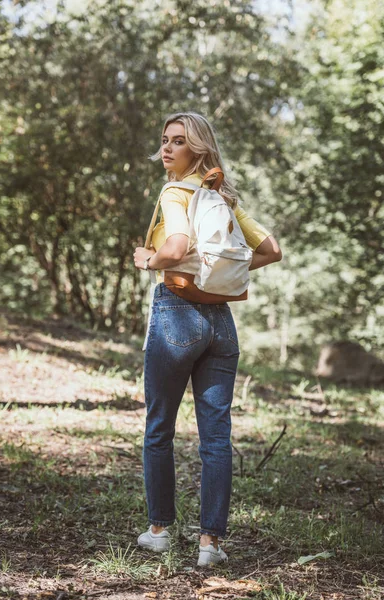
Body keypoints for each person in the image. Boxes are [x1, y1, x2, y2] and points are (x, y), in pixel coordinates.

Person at [133, 111, 282, 567]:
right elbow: (270, 251)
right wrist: (220, 277)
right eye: (164, 140)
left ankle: (159, 531)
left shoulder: (177, 191)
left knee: (159, 428)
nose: (166, 148)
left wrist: (150, 260)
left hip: (177, 315)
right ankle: (210, 545)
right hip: (220, 323)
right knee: (215, 437)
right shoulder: (222, 197)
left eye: (177, 141)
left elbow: (176, 248)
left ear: (197, 149)